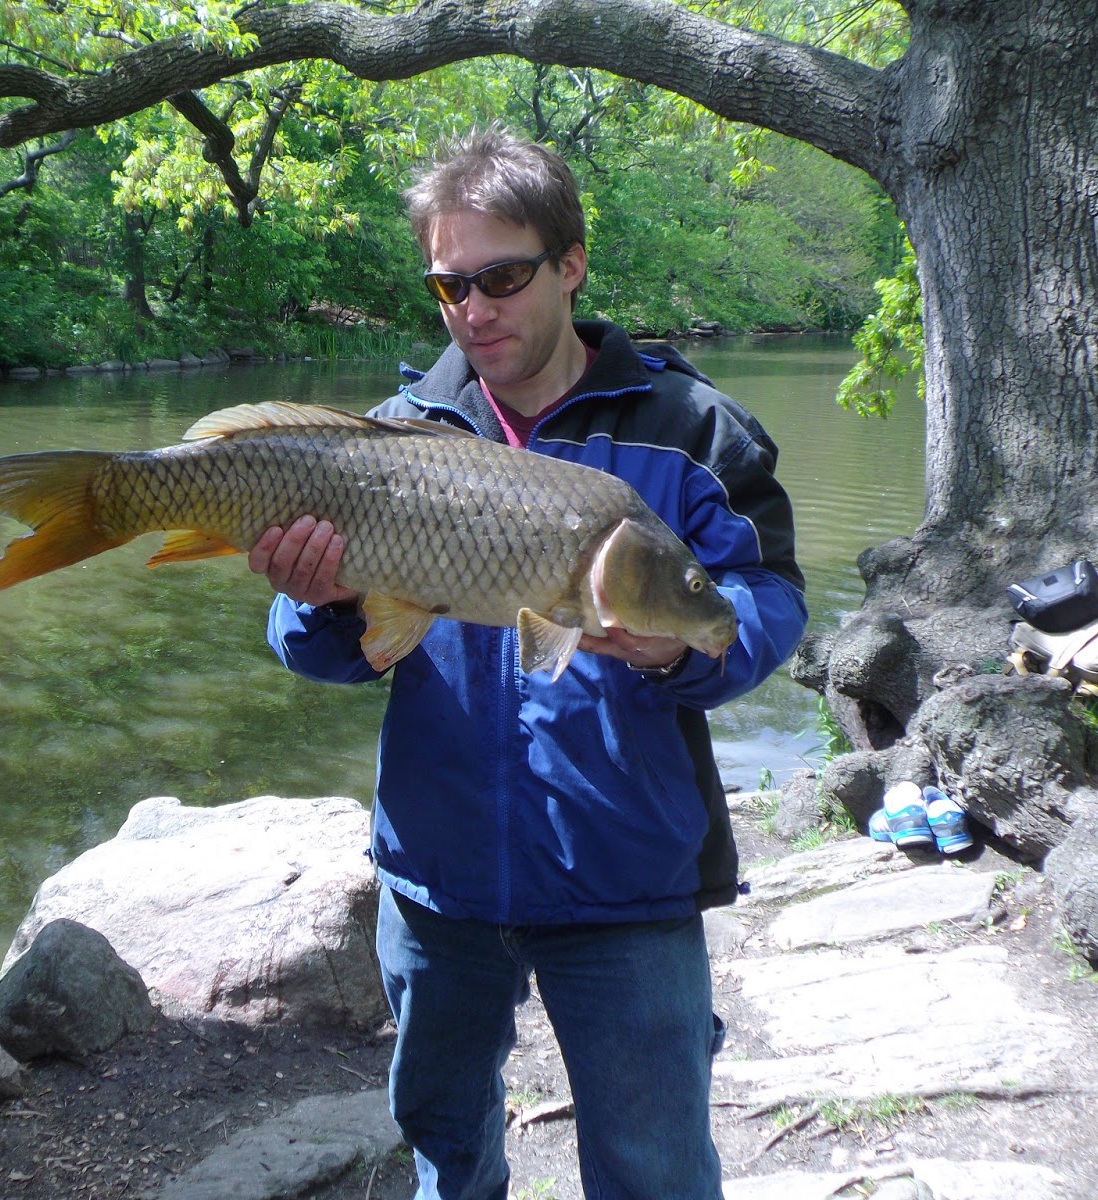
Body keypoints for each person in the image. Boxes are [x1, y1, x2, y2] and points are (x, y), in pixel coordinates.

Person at [247, 127, 807, 1200]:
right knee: (447, 1154)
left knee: (654, 1173)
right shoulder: (391, 435)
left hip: (627, 877)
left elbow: (763, 600)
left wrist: (677, 653)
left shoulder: (692, 430)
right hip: (439, 876)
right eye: (448, 286)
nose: (473, 310)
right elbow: (310, 645)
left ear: (570, 264)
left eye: (500, 278)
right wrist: (319, 603)